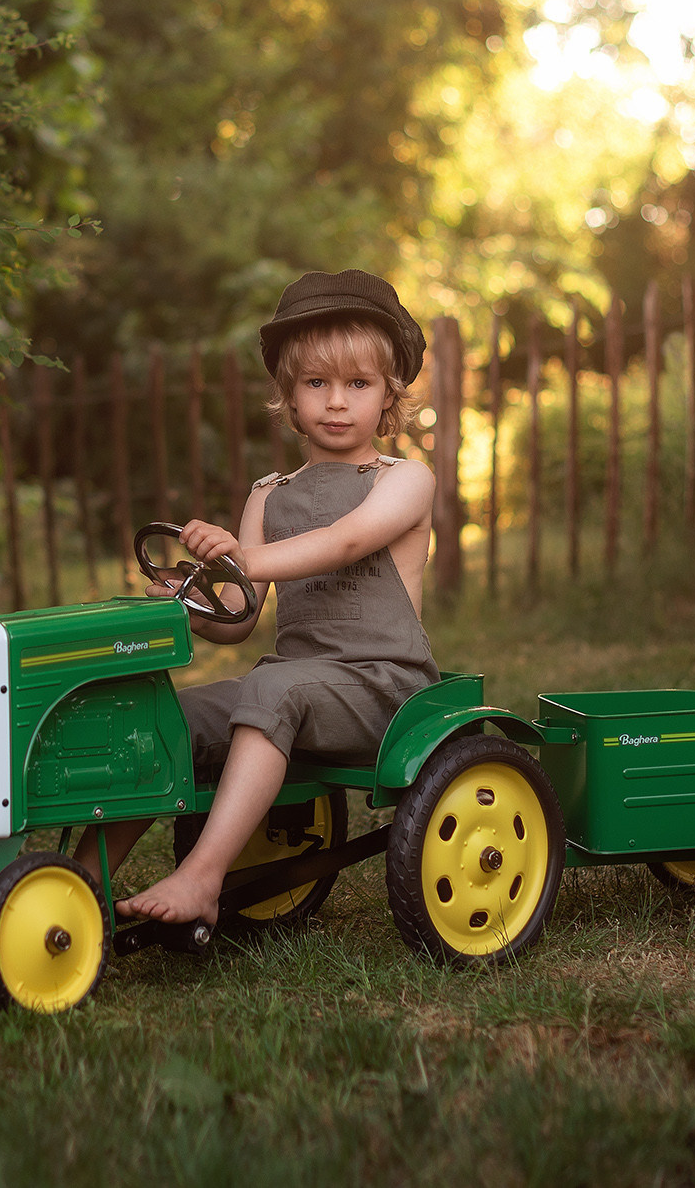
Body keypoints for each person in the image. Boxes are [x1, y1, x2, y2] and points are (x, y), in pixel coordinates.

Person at [75, 269, 441, 925]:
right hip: (297, 679)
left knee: (276, 691)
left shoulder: (405, 479)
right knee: (174, 716)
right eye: (317, 384)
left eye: (358, 384)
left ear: (388, 396)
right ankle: (77, 882)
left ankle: (201, 879)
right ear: (290, 396)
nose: (336, 402)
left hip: (383, 686)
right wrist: (191, 600)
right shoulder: (269, 493)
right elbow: (241, 619)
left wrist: (240, 558)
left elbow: (347, 540)